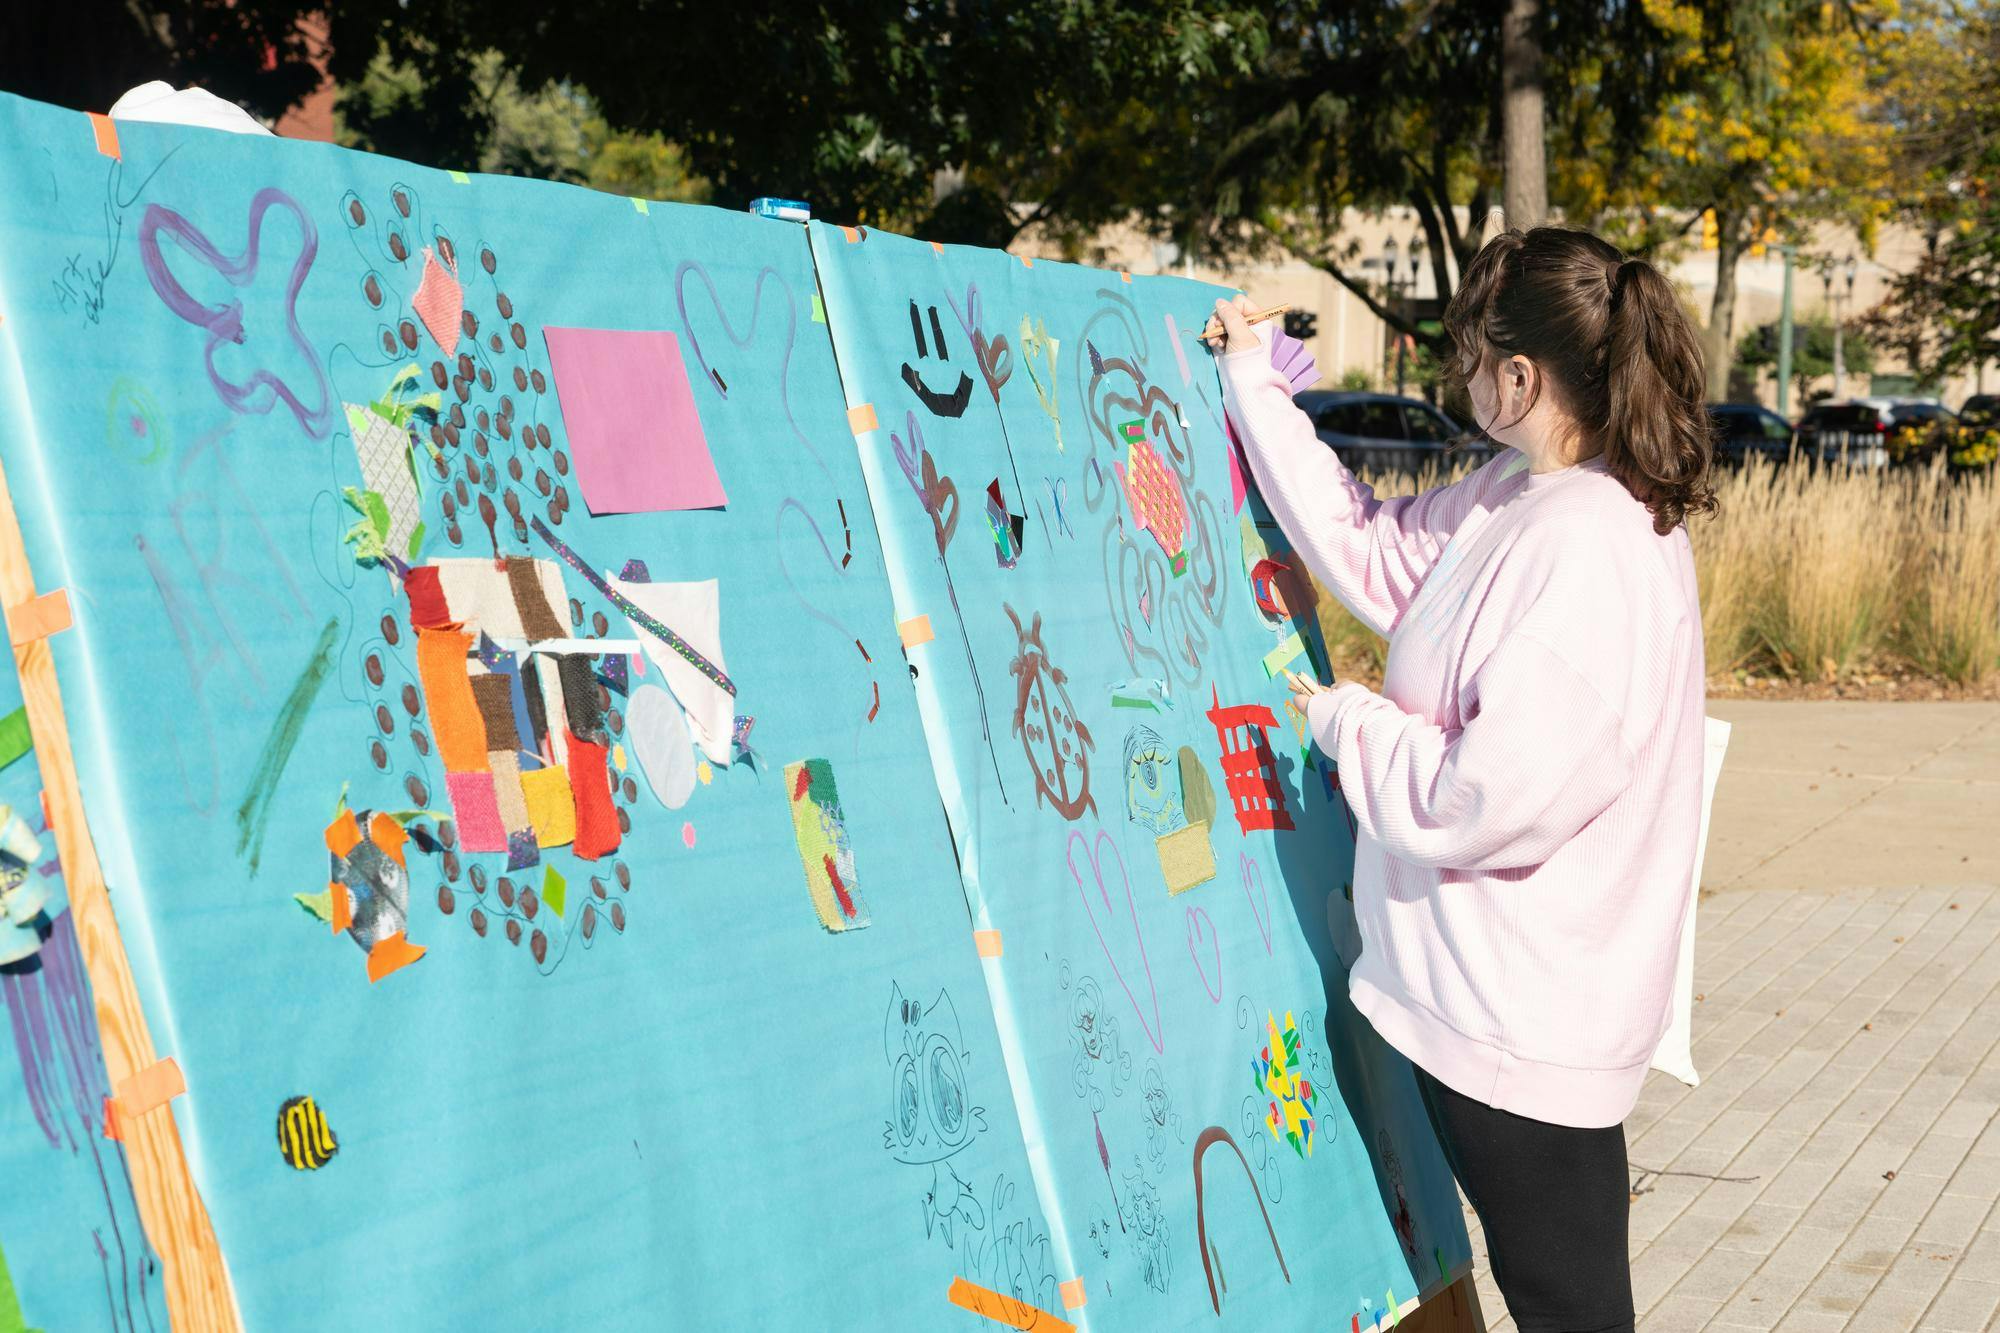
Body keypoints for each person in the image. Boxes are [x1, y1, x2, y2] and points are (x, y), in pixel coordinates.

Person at [1208, 226, 1713, 1333]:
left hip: (1520, 1027)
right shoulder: (1520, 494)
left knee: (1571, 1310)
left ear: (1519, 375)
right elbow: (1367, 547)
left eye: (1469, 359)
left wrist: (1348, 722)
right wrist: (1252, 380)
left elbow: (1479, 795)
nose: (1458, 379)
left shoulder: (1586, 544)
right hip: (1489, 1007)